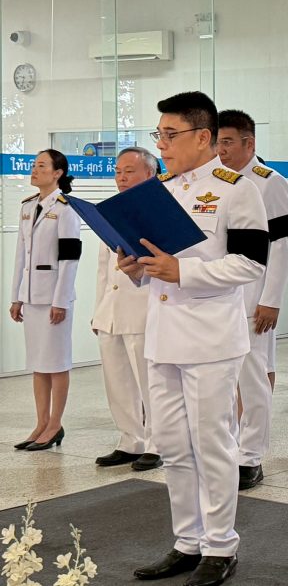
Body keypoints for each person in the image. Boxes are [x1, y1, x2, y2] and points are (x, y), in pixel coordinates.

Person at [124, 91, 269, 586]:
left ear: (203, 136)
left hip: (210, 339)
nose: (162, 144)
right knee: (171, 443)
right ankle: (188, 540)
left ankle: (221, 545)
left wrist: (183, 271)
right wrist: (136, 267)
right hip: (163, 334)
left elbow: (250, 264)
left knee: (212, 444)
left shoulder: (236, 189)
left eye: (170, 135)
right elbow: (154, 262)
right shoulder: (160, 190)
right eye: (159, 134)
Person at [216, 110, 288, 491]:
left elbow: (283, 245)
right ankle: (229, 448)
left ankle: (251, 456)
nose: (221, 150)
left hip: (253, 300)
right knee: (224, 379)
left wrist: (271, 299)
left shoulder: (269, 183)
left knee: (253, 378)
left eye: (228, 142)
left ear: (249, 143)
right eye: (218, 142)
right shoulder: (218, 182)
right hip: (220, 297)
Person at [91, 147, 161, 470]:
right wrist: (99, 310)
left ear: (150, 173)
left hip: (142, 308)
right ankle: (130, 440)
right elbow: (103, 268)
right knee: (117, 381)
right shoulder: (109, 209)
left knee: (149, 382)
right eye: (118, 172)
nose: (121, 178)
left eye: (129, 171)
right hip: (112, 310)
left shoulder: (158, 208)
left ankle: (157, 443)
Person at [10, 149, 81, 452]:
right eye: (33, 165)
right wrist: (16, 297)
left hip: (54, 298)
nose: (34, 170)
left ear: (58, 173)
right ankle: (41, 423)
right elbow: (20, 256)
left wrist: (61, 300)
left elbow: (70, 259)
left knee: (56, 363)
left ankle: (55, 424)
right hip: (31, 296)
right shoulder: (28, 207)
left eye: (41, 166)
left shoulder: (66, 209)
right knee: (39, 364)